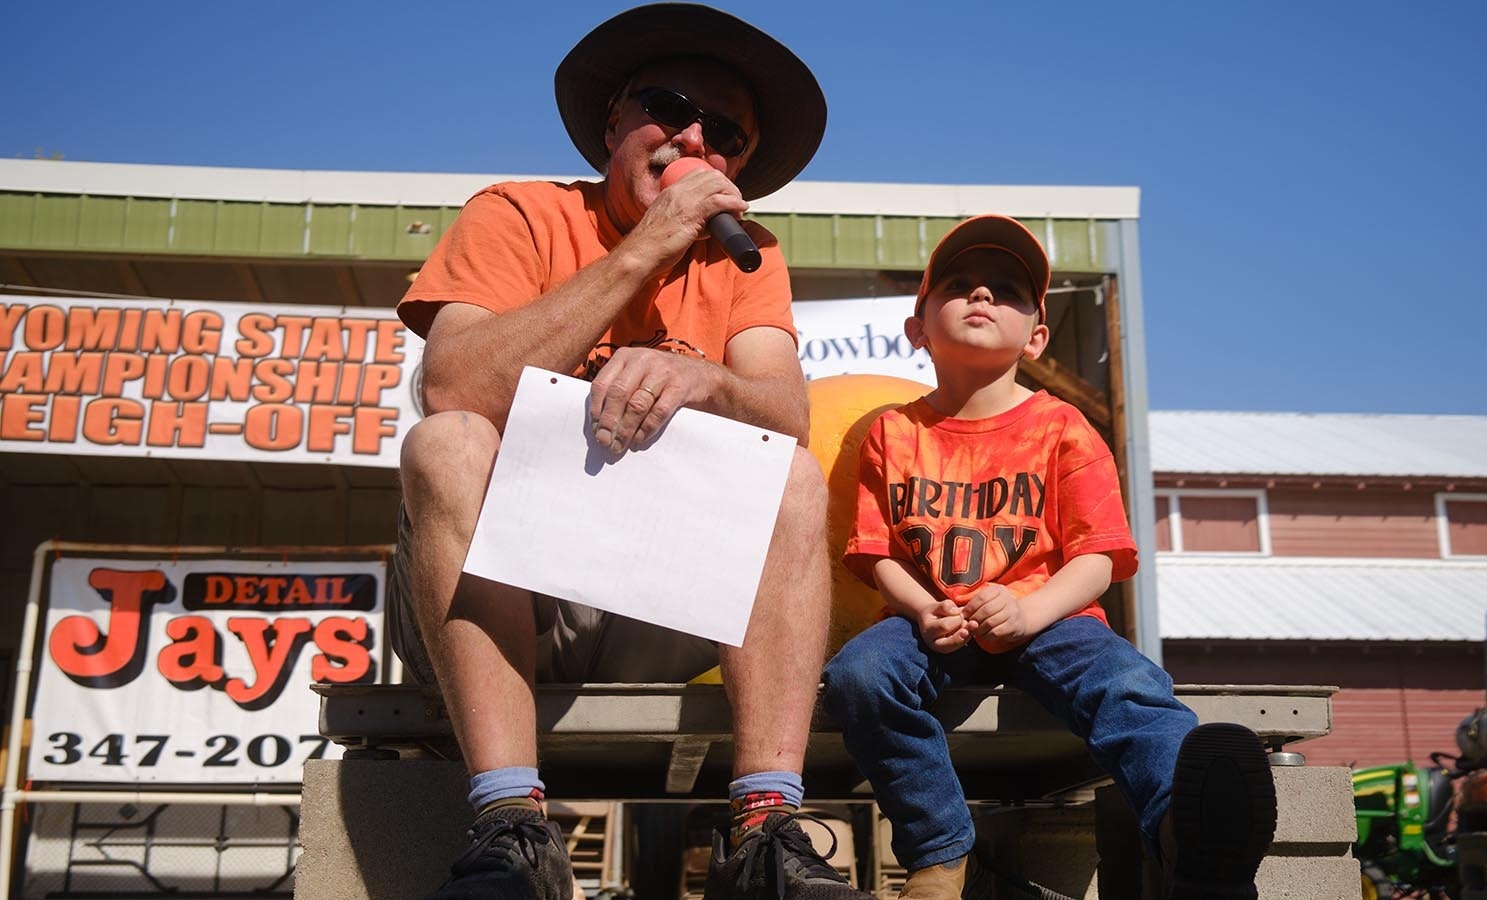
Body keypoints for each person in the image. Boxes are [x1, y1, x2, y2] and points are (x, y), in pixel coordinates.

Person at [390, 6, 871, 900]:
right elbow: (452, 385)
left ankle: (769, 832)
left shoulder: (749, 257)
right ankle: (510, 827)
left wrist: (710, 384)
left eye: (723, 132)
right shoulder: (516, 213)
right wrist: (646, 247)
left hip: (651, 600)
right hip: (502, 592)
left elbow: (787, 412)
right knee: (446, 444)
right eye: (671, 106)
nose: (693, 136)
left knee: (790, 476)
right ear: (615, 121)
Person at [820, 215, 1279, 900]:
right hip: (932, 625)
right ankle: (939, 855)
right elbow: (874, 551)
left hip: (1053, 618)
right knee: (858, 677)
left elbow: (1099, 557)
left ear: (1036, 336)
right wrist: (922, 609)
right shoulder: (891, 431)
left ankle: (1188, 838)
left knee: (1128, 685)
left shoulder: (1062, 425)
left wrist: (1030, 611)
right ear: (917, 327)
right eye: (958, 284)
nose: (981, 296)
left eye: (1005, 290)